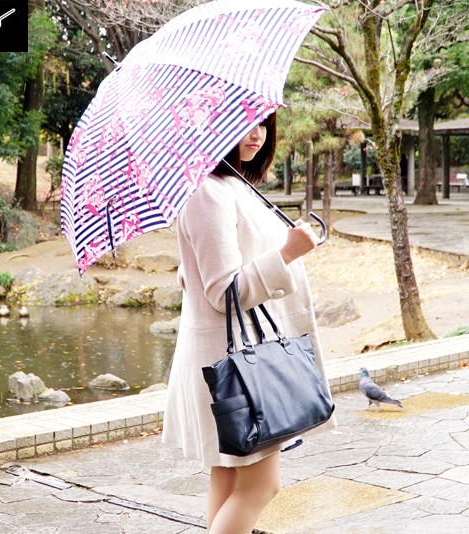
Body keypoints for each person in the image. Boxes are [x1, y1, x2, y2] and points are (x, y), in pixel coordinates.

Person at [162, 111, 336, 533]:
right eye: (244, 123)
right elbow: (224, 292)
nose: (257, 134)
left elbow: (203, 268)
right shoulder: (207, 192)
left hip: (237, 359)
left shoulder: (232, 184)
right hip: (234, 368)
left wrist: (282, 245)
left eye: (263, 123)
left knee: (227, 478)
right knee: (261, 485)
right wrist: (287, 253)